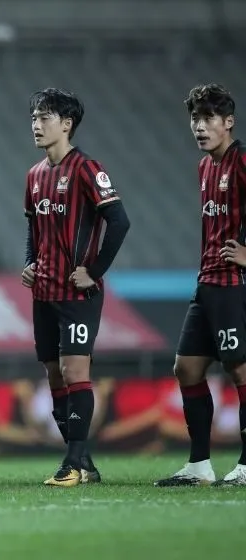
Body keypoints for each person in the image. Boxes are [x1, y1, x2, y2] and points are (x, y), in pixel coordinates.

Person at [22, 89, 130, 487]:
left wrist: (95, 270)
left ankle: (71, 464)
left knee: (74, 371)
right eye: (34, 117)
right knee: (54, 375)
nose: (36, 124)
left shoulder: (87, 169)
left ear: (66, 124)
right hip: (44, 293)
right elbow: (33, 228)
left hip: (77, 294)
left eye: (44, 117)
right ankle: (83, 462)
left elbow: (119, 222)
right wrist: (29, 263)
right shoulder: (34, 175)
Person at [155, 83, 246, 487]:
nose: (200, 126)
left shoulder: (243, 161)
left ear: (229, 123)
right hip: (207, 281)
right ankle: (199, 465)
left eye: (208, 118)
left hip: (234, 283)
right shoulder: (206, 167)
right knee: (187, 368)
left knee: (240, 370)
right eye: (195, 118)